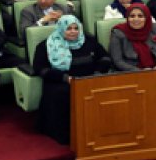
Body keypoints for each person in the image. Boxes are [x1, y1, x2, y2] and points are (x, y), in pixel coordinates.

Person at [33, 15, 109, 144]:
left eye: (76, 28)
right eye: (68, 29)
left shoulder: (89, 40)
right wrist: (65, 78)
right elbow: (41, 69)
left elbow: (105, 58)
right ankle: (69, 134)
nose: (73, 31)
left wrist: (97, 73)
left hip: (90, 78)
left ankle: (101, 129)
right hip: (60, 81)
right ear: (61, 29)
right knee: (65, 93)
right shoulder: (46, 45)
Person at [110, 4, 156, 71]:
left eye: (140, 16)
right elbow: (117, 60)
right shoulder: (118, 33)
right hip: (132, 72)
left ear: (147, 17)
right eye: (132, 16)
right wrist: (139, 71)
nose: (136, 19)